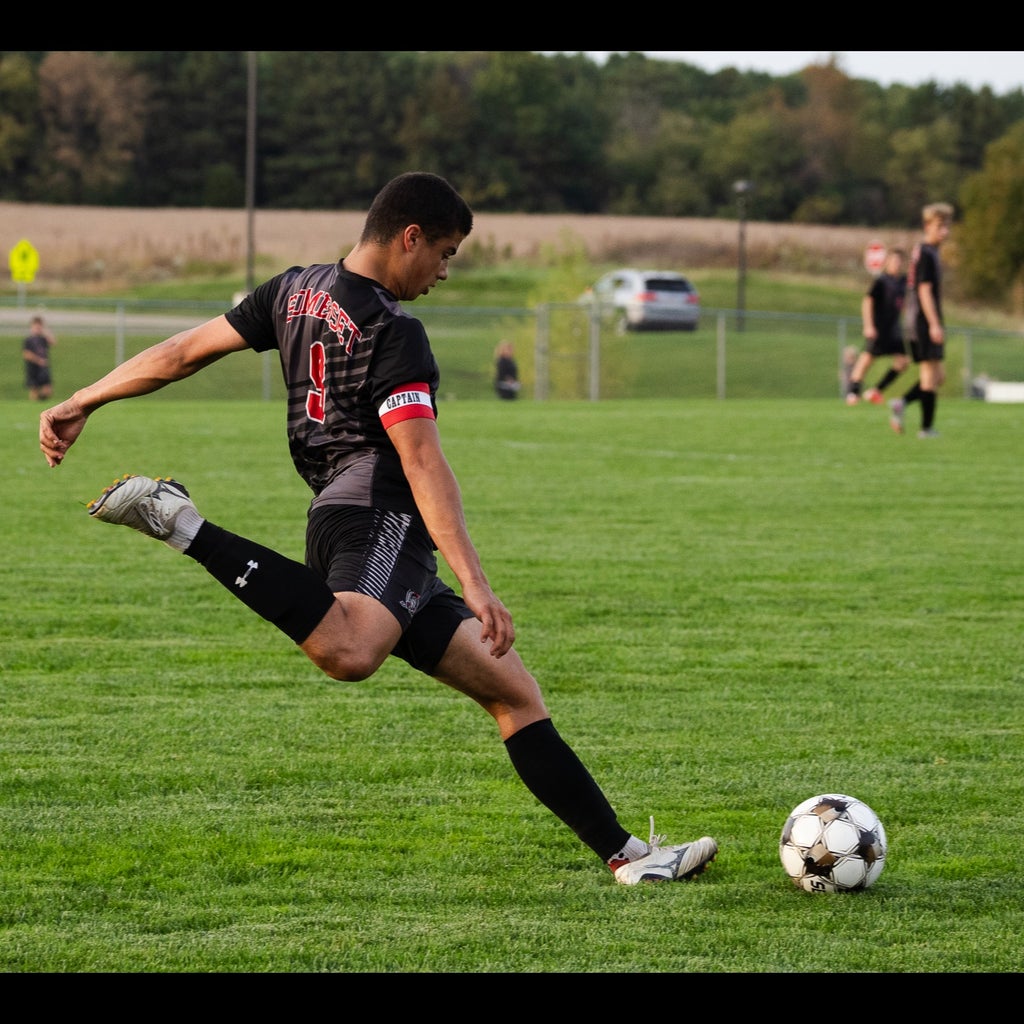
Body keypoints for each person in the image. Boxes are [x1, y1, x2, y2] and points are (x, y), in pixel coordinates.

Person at [39, 171, 717, 886]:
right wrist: (477, 583)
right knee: (352, 650)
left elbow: (181, 353)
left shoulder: (294, 290)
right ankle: (180, 522)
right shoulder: (394, 331)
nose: (445, 273)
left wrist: (84, 398)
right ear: (409, 236)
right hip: (378, 519)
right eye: (446, 253)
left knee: (513, 693)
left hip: (347, 520)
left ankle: (629, 858)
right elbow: (421, 461)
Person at [889, 203, 954, 438]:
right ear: (927, 226)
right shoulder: (925, 252)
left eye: (947, 226)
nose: (945, 232)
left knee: (939, 377)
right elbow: (924, 290)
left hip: (924, 319)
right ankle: (926, 429)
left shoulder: (930, 252)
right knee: (929, 375)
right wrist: (934, 323)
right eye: (940, 226)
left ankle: (901, 403)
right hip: (922, 321)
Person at [845, 248, 908, 405]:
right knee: (866, 360)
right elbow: (867, 302)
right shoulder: (881, 281)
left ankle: (876, 391)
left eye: (899, 261)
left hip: (894, 330)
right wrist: (868, 325)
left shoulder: (903, 282)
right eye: (894, 261)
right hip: (879, 328)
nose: (897, 264)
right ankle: (853, 393)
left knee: (903, 361)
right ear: (887, 262)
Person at [23, 315, 57, 401]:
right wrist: (38, 361)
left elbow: (53, 342)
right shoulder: (29, 340)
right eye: (36, 326)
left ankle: (40, 402)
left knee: (48, 390)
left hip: (43, 367)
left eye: (39, 326)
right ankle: (33, 406)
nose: (38, 328)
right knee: (34, 389)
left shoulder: (43, 339)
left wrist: (45, 331)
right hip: (33, 367)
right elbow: (26, 354)